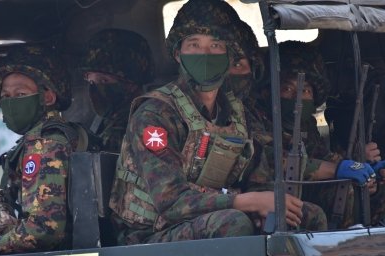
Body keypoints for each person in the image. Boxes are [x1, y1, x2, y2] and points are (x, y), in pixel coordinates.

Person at [108, 0, 327, 245]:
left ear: (229, 54)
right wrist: (247, 202)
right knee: (233, 223)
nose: (205, 54)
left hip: (208, 219)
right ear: (178, 54)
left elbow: (258, 175)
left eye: (215, 45)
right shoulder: (156, 113)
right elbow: (170, 202)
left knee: (307, 215)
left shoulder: (235, 112)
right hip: (150, 234)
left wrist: (266, 206)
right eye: (194, 45)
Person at [247, 41, 383, 228]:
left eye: (305, 90)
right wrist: (337, 168)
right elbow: (274, 160)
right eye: (287, 89)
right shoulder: (254, 118)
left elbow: (321, 155)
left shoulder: (310, 125)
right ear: (269, 91)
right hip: (267, 194)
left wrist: (361, 168)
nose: (297, 97)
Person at [0, 45, 77, 254]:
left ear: (47, 97)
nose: (11, 102)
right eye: (5, 95)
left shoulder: (45, 146)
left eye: (20, 94)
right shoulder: (64, 135)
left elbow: (43, 229)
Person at [82, 28, 155, 153]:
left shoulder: (145, 123)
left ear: (131, 83)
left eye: (104, 81)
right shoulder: (108, 120)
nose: (95, 89)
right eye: (91, 82)